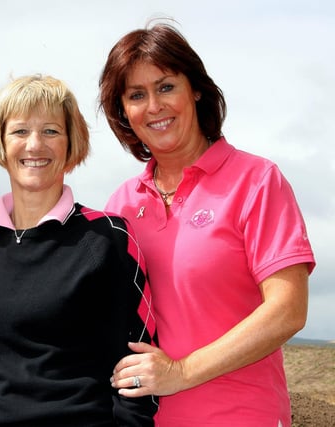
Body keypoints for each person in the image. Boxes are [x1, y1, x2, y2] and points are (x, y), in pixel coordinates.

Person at [98, 23, 316, 426]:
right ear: (123, 111)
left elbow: (288, 310)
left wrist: (180, 373)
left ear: (195, 89)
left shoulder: (256, 181)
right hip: (147, 420)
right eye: (136, 95)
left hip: (243, 415)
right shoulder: (121, 204)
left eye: (166, 87)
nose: (154, 106)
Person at [0, 74, 158, 427]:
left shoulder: (108, 237)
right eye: (20, 131)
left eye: (51, 131)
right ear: (0, 142)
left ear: (72, 145)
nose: (34, 145)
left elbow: (138, 365)